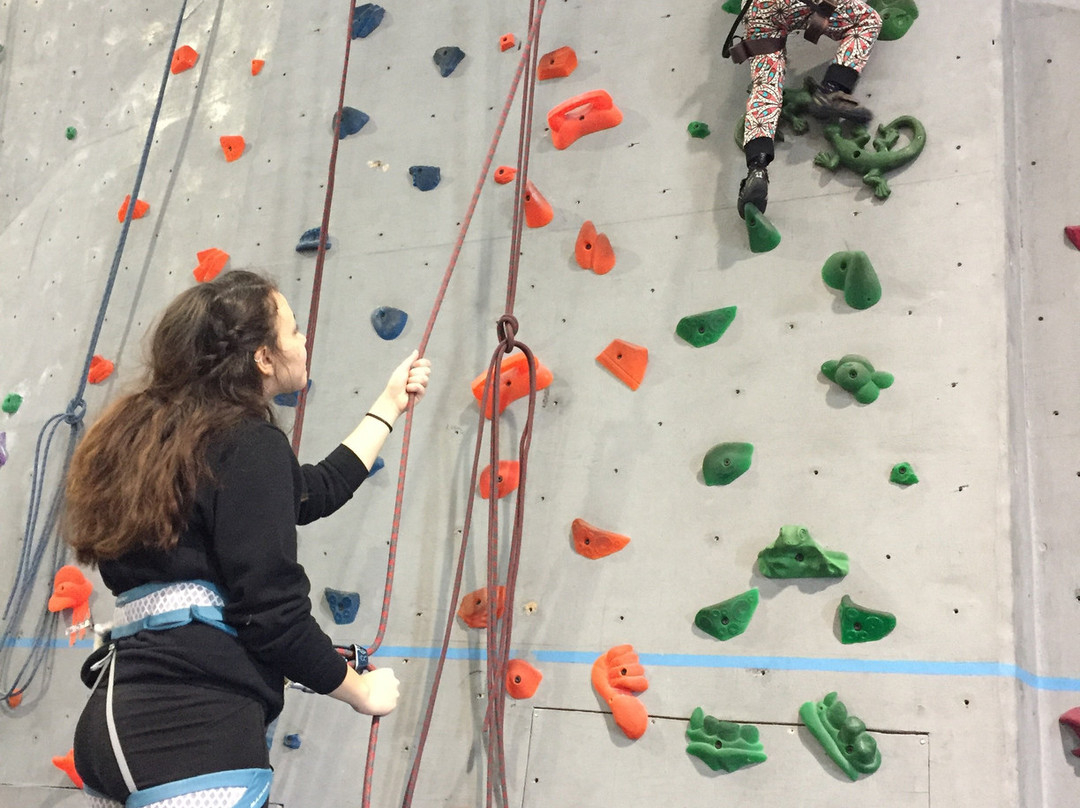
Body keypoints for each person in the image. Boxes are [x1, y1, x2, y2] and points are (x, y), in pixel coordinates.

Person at [63, 270, 432, 808]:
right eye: (294, 330)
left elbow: (313, 490)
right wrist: (361, 692)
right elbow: (273, 617)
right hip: (191, 736)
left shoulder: (154, 444)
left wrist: (389, 403)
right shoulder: (246, 444)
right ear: (263, 357)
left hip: (116, 727)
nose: (303, 341)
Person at [726, 0, 883, 217]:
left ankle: (757, 168)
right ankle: (832, 89)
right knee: (866, 21)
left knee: (766, 85)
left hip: (759, 11)